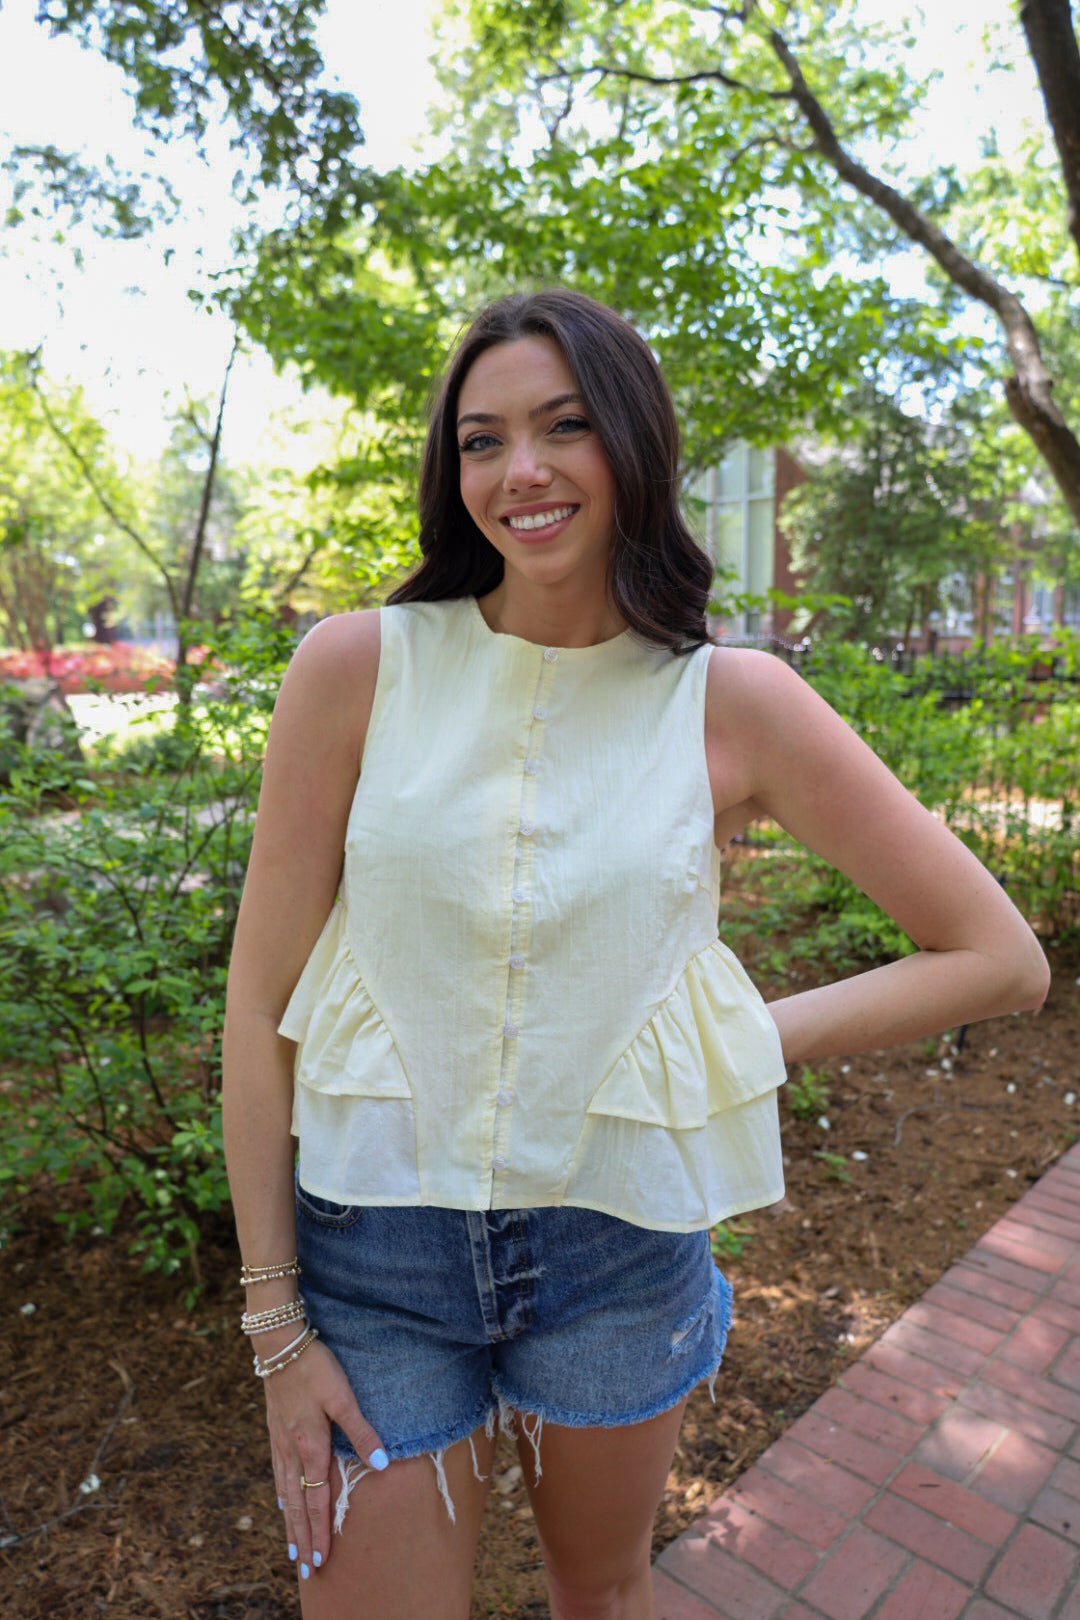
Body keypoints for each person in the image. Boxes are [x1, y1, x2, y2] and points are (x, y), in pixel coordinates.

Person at [222, 287, 1049, 1620]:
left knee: (600, 1599)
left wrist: (734, 1041)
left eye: (564, 425)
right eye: (482, 439)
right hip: (374, 1261)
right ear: (454, 471)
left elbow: (999, 956)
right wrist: (275, 1327)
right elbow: (258, 1007)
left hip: (618, 1251)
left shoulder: (731, 701)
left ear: (633, 444)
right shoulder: (354, 669)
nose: (523, 470)